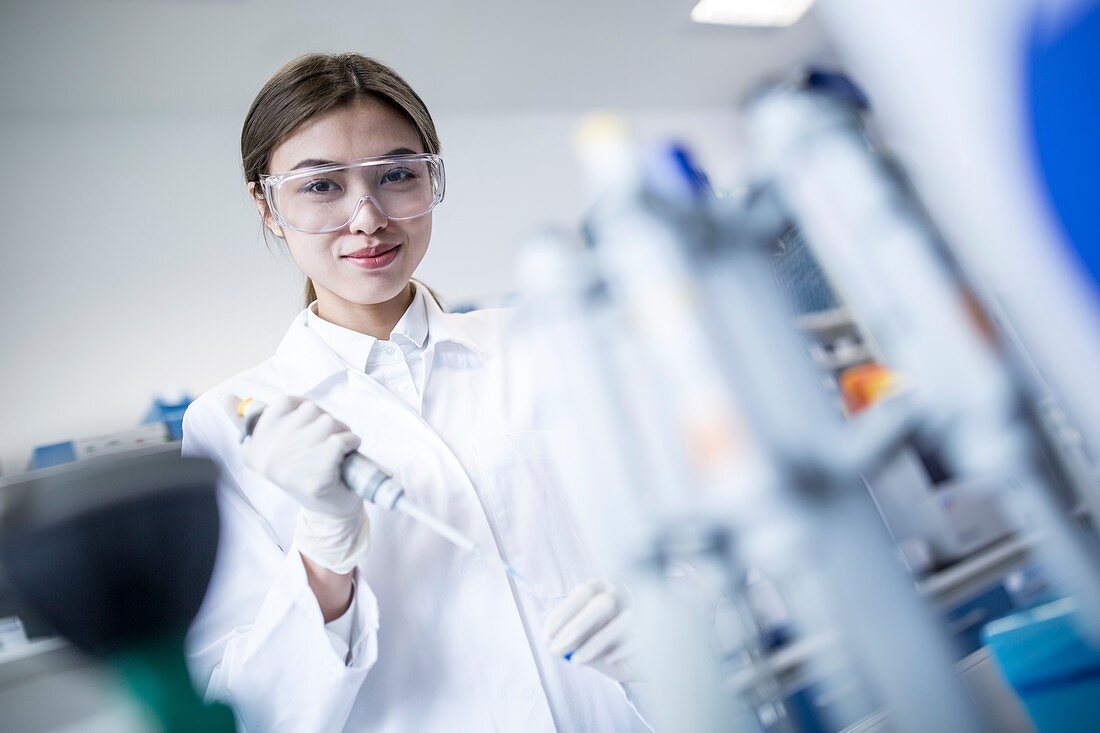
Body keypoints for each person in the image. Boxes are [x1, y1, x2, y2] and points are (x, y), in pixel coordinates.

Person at [181, 52, 650, 732]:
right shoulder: (229, 422)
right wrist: (324, 549)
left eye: (397, 175)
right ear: (268, 205)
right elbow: (251, 709)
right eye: (321, 187)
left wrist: (661, 627)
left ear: (431, 180)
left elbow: (673, 533)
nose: (367, 218)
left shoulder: (540, 343)